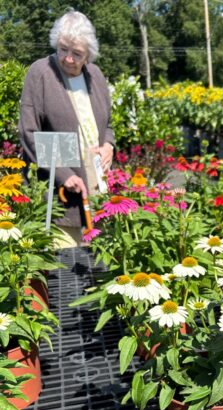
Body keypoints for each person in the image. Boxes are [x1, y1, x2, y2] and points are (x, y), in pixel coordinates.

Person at [19, 10, 115, 245]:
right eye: (63, 49)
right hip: (60, 193)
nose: (68, 59)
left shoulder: (95, 75)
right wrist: (64, 174)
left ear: (88, 55)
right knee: (66, 270)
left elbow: (108, 124)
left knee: (100, 264)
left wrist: (109, 145)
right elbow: (29, 132)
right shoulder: (41, 72)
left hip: (97, 186)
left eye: (77, 53)